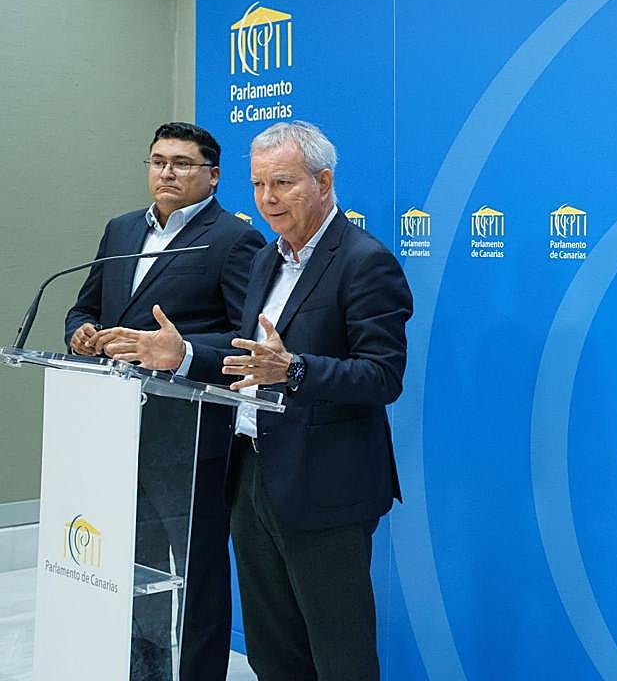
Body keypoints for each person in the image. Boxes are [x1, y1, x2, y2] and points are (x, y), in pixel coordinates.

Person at [111, 120, 413, 680]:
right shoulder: (267, 259)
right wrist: (181, 355)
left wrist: (294, 369)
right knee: (272, 651)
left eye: (284, 183)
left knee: (339, 651)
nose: (269, 199)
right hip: (250, 473)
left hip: (326, 486)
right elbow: (244, 350)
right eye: (258, 186)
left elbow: (381, 375)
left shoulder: (365, 261)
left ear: (323, 182)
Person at [65, 121, 265, 680]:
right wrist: (80, 333)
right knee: (137, 565)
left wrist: (176, 350)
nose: (166, 172)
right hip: (118, 425)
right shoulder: (121, 229)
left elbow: (244, 339)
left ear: (213, 175)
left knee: (196, 570)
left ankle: (201, 672)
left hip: (192, 435)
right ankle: (144, 669)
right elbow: (85, 308)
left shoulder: (233, 239)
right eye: (158, 161)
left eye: (181, 163)